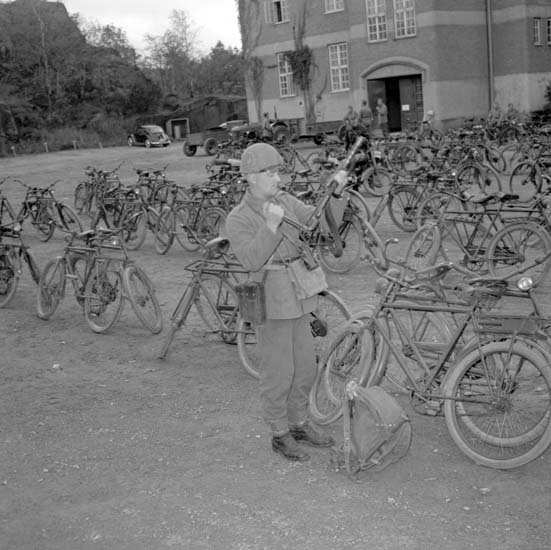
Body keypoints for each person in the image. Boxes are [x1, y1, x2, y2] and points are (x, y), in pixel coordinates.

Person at [225, 142, 335, 462]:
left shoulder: (285, 200)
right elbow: (251, 260)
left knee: (306, 367)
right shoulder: (238, 218)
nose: (277, 178)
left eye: (278, 172)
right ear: (250, 177)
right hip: (271, 300)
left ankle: (298, 423)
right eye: (269, 173)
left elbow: (315, 220)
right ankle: (279, 432)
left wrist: (335, 195)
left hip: (299, 294)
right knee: (278, 372)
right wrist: (271, 226)